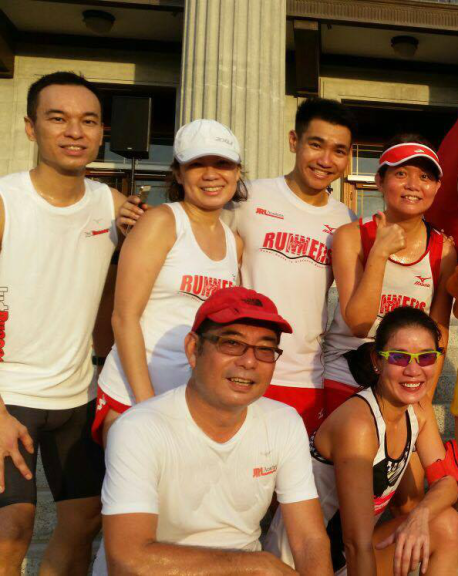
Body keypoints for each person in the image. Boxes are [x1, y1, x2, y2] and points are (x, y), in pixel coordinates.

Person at [119, 98, 358, 434]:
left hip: (306, 375)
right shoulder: (248, 197)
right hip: (239, 369)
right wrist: (133, 220)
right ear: (294, 141)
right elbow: (191, 225)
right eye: (315, 145)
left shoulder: (345, 220)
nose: (325, 160)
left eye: (338, 150)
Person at [95, 287, 331, 575]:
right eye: (231, 343)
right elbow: (128, 559)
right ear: (193, 349)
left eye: (266, 349)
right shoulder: (139, 429)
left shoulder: (283, 422)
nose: (248, 361)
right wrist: (255, 566)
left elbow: (309, 539)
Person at [0, 71, 125, 574]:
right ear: (31, 127)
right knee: (12, 530)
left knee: (85, 522)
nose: (75, 131)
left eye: (88, 121)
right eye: (58, 118)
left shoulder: (114, 208)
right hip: (8, 394)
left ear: (100, 133)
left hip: (77, 396)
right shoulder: (6, 202)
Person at [264, 306, 458, 576]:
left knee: (447, 524)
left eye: (426, 357)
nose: (414, 370)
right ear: (377, 360)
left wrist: (421, 515)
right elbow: (356, 542)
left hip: (348, 558)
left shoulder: (420, 410)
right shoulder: (358, 425)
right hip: (303, 565)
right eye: (399, 357)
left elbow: (448, 482)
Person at [93, 119, 244, 444]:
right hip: (135, 397)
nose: (211, 174)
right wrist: (147, 407)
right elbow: (123, 318)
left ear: (237, 172)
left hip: (193, 405)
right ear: (178, 173)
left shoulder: (234, 243)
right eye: (197, 164)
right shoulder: (161, 222)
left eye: (222, 163)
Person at [322, 135, 455, 414]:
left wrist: (425, 399)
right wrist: (379, 254)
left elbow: (438, 331)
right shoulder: (352, 236)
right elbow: (359, 323)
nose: (413, 185)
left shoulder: (443, 250)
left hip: (407, 376)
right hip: (349, 370)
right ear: (380, 181)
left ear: (437, 187)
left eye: (425, 177)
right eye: (401, 173)